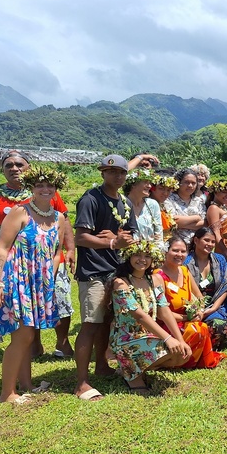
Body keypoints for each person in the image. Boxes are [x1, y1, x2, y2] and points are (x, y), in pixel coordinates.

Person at [0, 149, 75, 359]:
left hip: (50, 258)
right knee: (27, 303)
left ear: (29, 168)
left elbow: (63, 221)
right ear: (1, 170)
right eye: (9, 165)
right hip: (17, 262)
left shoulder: (45, 190)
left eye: (19, 164)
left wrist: (71, 248)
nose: (14, 168)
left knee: (60, 299)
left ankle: (62, 343)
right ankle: (33, 344)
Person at [0, 166, 69, 403]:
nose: (45, 189)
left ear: (56, 189)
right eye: (40, 185)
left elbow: (56, 252)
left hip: (38, 284)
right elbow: (2, 247)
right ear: (32, 188)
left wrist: (48, 281)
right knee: (22, 336)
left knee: (29, 336)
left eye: (49, 186)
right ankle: (7, 394)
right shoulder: (19, 213)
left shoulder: (58, 218)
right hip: (16, 280)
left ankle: (26, 385)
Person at [73, 154, 138, 401]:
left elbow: (129, 235)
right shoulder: (91, 199)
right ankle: (81, 382)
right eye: (112, 172)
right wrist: (111, 242)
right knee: (90, 324)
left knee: (106, 321)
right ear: (103, 173)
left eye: (122, 172)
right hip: (93, 272)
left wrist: (120, 240)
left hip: (117, 270)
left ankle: (101, 365)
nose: (117, 176)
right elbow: (81, 237)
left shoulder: (125, 202)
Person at [110, 240, 192, 395]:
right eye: (137, 255)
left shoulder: (154, 280)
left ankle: (132, 369)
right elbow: (140, 316)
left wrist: (180, 340)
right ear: (128, 256)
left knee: (181, 354)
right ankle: (131, 373)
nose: (142, 259)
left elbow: (164, 311)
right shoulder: (120, 283)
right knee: (168, 349)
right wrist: (168, 338)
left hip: (148, 334)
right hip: (126, 337)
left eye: (147, 256)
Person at [155, 234, 226, 368]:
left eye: (183, 251)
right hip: (167, 324)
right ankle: (179, 361)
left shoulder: (184, 271)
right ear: (166, 251)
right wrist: (186, 317)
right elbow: (161, 313)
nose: (179, 254)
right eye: (175, 250)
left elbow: (200, 297)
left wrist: (199, 310)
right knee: (197, 329)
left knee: (203, 326)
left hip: (186, 320)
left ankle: (188, 359)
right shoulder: (158, 276)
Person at [185, 227, 227, 349]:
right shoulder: (185, 262)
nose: (210, 244)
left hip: (213, 307)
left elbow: (224, 287)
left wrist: (213, 308)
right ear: (196, 240)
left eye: (212, 241)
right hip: (191, 307)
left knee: (221, 327)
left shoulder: (219, 260)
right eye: (206, 240)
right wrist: (198, 310)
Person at [165, 167, 206, 244]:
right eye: (187, 182)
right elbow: (172, 221)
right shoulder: (168, 199)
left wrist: (181, 224)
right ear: (179, 182)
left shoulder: (199, 201)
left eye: (193, 183)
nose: (190, 185)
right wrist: (196, 218)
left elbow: (204, 223)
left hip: (195, 246)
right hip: (175, 245)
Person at [125, 169, 163, 248]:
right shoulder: (121, 204)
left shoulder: (152, 205)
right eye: (146, 182)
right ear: (133, 184)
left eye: (150, 183)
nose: (149, 186)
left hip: (148, 254)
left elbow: (159, 235)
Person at [205, 178, 227, 258]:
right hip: (224, 251)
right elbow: (215, 232)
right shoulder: (213, 208)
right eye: (224, 192)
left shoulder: (224, 208)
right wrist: (224, 250)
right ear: (215, 192)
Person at [149, 172, 180, 243]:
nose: (165, 193)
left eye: (168, 190)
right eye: (161, 188)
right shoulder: (146, 205)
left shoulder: (164, 205)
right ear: (152, 188)